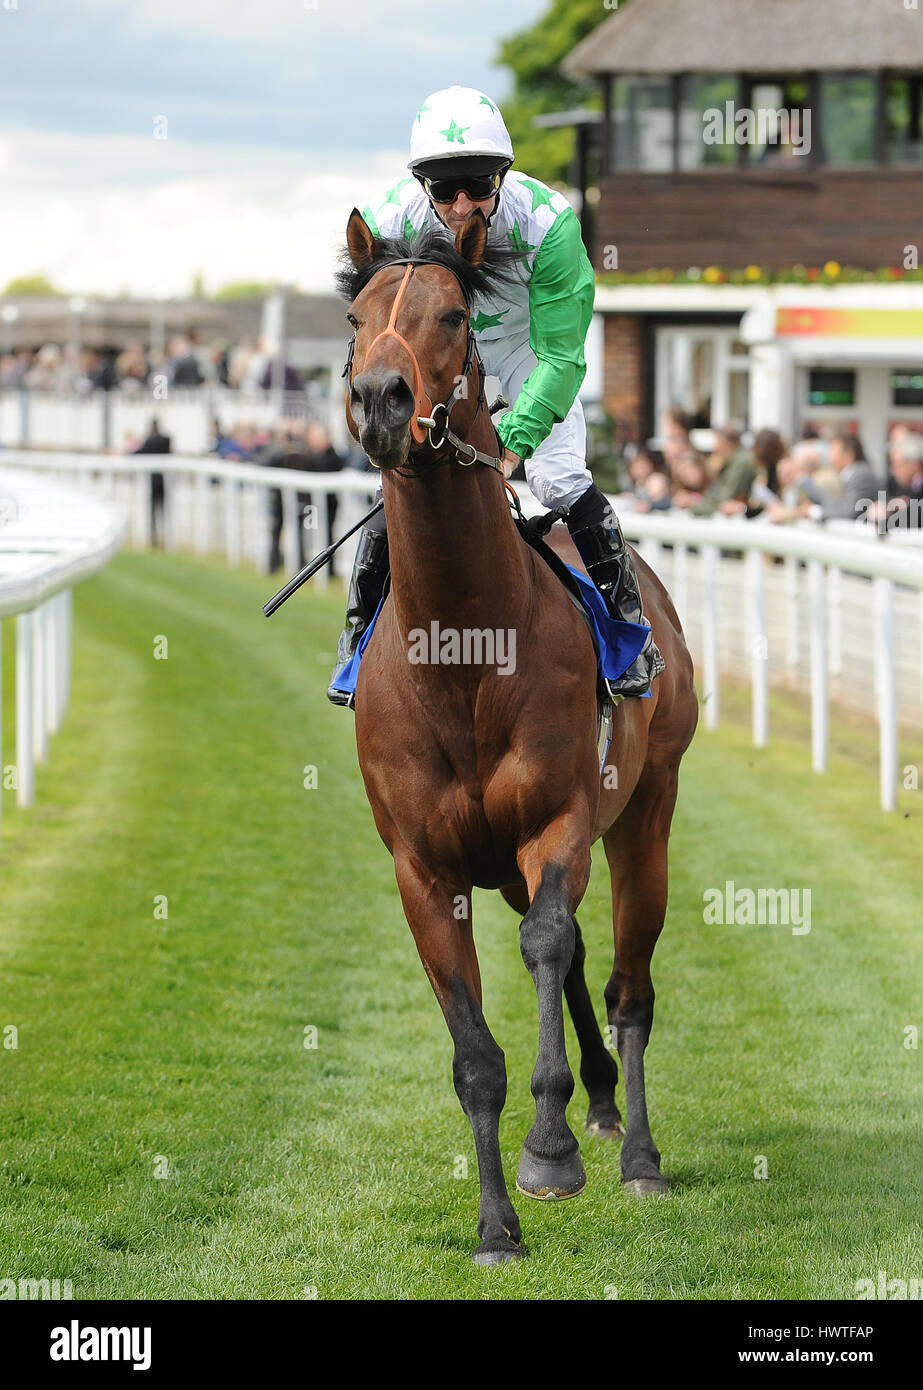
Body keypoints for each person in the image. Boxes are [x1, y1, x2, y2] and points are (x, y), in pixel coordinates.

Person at [327, 85, 664, 706]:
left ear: (503, 175)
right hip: (441, 352)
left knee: (560, 478)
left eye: (479, 185)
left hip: (526, 349)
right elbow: (371, 325)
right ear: (420, 185)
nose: (461, 205)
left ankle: (626, 635)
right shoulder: (384, 221)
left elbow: (563, 356)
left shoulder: (550, 222)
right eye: (443, 188)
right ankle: (355, 643)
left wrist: (511, 443)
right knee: (402, 479)